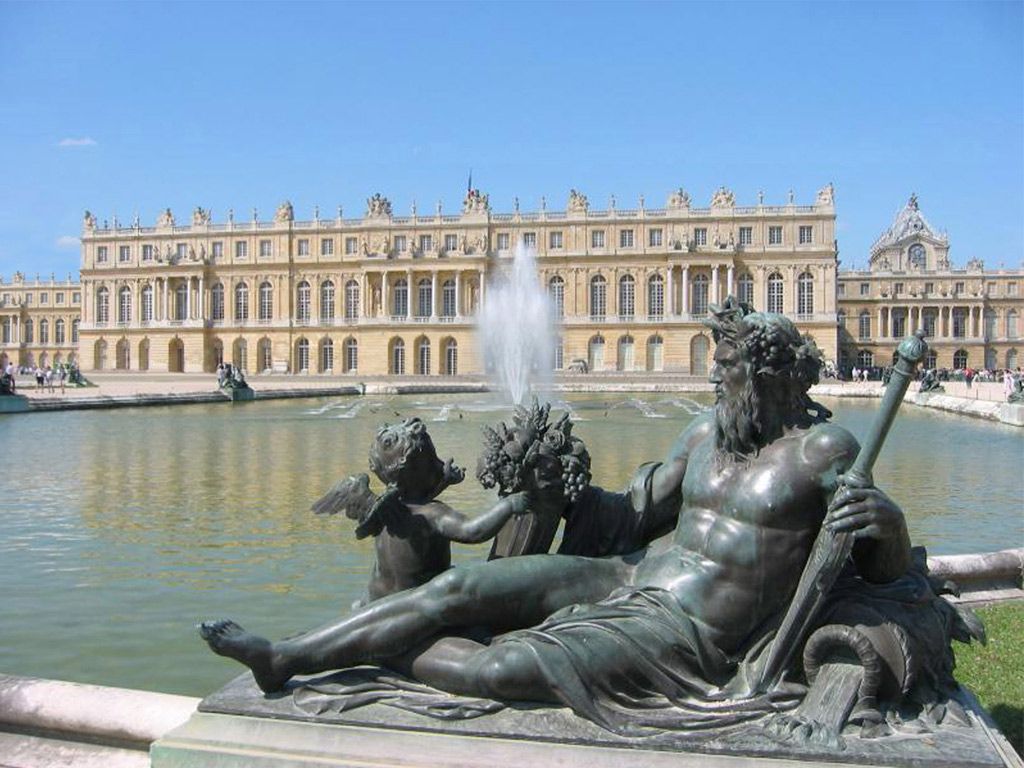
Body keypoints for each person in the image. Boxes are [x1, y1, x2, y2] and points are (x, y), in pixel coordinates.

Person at [201, 300, 909, 733]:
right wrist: (557, 489)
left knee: (503, 666)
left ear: (764, 373)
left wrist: (886, 523)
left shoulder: (822, 451)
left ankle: (381, 645)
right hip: (630, 577)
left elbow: (881, 571)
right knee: (457, 589)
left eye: (724, 367)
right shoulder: (704, 433)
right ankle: (286, 657)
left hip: (691, 633)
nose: (711, 376)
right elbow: (633, 513)